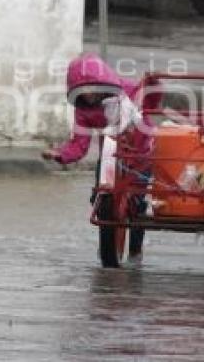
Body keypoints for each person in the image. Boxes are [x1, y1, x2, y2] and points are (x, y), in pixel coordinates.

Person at [41, 54, 162, 263]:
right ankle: (106, 235)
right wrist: (60, 155)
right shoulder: (83, 111)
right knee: (101, 191)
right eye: (82, 90)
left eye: (91, 87)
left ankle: (136, 248)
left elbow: (151, 102)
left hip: (140, 151)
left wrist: (154, 84)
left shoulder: (127, 89)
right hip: (112, 154)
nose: (88, 94)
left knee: (140, 201)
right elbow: (79, 144)